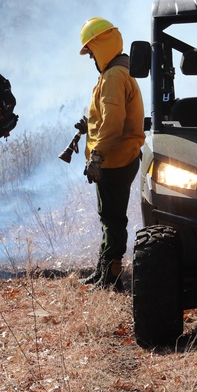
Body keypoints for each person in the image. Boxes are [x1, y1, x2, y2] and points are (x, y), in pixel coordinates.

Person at [77, 17, 146, 292]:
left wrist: (97, 156)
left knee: (113, 219)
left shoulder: (114, 76)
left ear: (100, 45)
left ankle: (111, 276)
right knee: (109, 216)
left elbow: (114, 124)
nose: (91, 56)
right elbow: (108, 116)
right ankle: (103, 269)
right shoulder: (118, 71)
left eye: (91, 50)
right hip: (119, 156)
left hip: (115, 159)